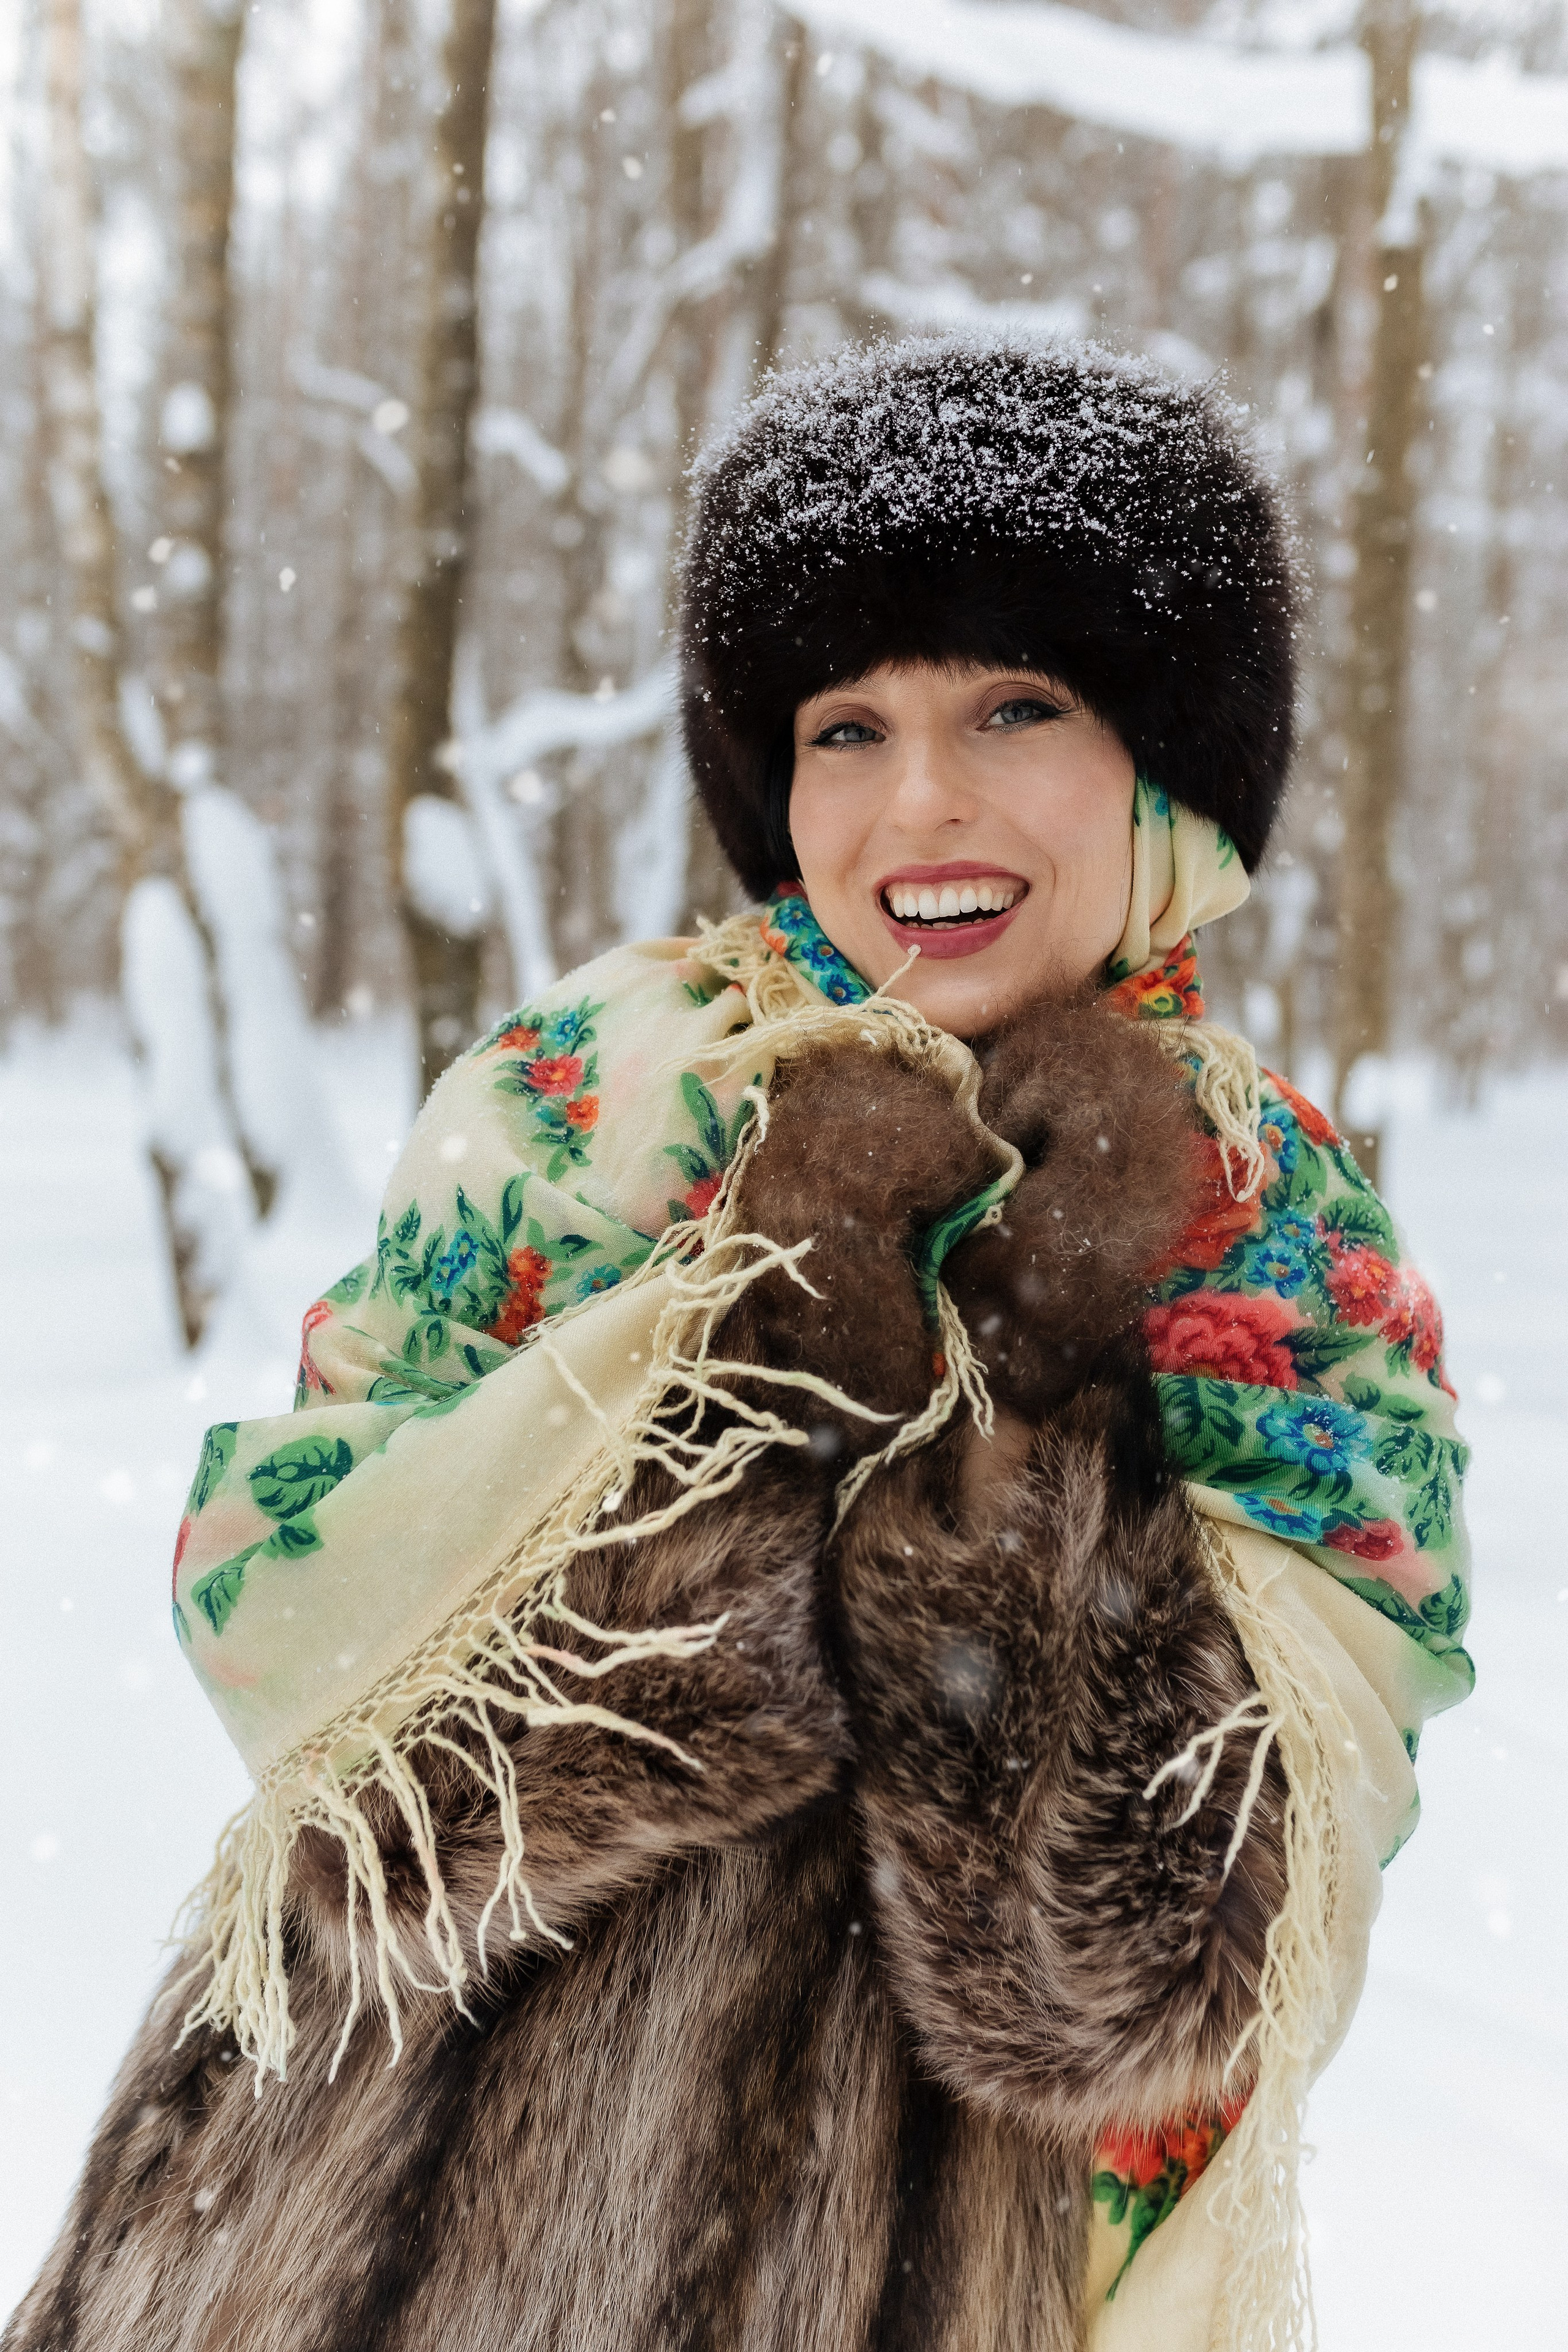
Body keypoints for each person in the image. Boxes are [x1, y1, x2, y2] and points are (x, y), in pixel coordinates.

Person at [6, 339, 1471, 2352]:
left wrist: (1035, 1408)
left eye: (1016, 704)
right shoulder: (580, 1109)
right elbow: (338, 1761)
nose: (919, 801)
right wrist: (752, 1381)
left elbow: (1130, 2004)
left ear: (1169, 769)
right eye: (844, 724)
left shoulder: (1286, 1259)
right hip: (325, 2272)